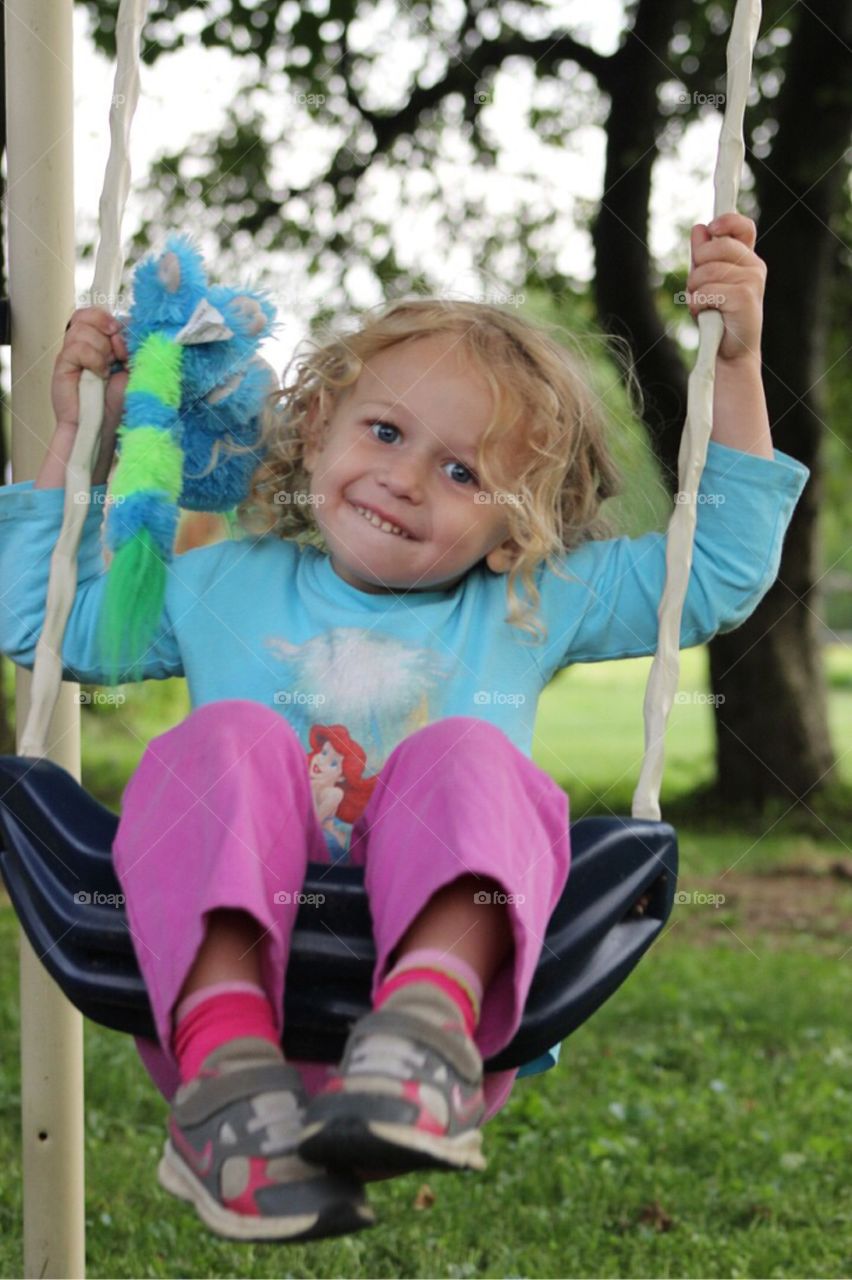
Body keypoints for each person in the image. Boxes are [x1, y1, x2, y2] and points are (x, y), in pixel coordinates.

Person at [0, 214, 810, 1244]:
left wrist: (735, 363)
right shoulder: (224, 585)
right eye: (385, 432)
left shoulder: (527, 601)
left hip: (447, 1027)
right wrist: (82, 434)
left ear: (521, 527)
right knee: (226, 743)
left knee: (462, 758)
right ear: (320, 426)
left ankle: (420, 1029)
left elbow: (721, 567)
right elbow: (35, 618)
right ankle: (228, 1086)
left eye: (464, 472)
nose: (407, 477)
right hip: (226, 1003)